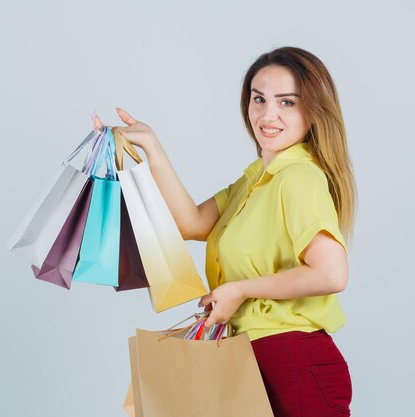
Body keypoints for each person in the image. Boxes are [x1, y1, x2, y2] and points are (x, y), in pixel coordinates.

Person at [94, 46, 356, 417]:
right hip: (251, 358)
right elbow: (192, 223)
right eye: (259, 99)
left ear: (314, 112)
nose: (268, 115)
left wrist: (240, 290)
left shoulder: (298, 178)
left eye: (287, 103)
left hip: (293, 361)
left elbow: (331, 273)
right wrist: (151, 146)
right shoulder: (255, 179)